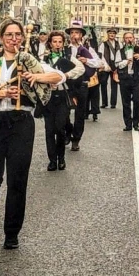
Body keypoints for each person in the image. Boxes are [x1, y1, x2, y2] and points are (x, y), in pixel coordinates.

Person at [0, 19, 63, 249]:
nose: (13, 39)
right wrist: (3, 92)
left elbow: (58, 77)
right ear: (2, 37)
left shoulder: (30, 61)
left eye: (17, 35)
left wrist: (37, 77)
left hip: (21, 123)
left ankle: (12, 233)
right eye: (9, 34)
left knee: (18, 179)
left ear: (22, 38)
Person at [40, 31, 83, 171]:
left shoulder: (68, 57)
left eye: (60, 42)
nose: (57, 44)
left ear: (63, 43)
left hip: (63, 96)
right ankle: (52, 160)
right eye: (54, 42)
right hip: (48, 97)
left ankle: (61, 159)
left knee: (60, 128)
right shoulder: (43, 59)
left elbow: (80, 69)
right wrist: (47, 81)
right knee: (49, 130)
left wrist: (65, 75)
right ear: (50, 43)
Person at [66, 20, 104, 149]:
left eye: (77, 32)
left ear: (81, 35)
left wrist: (86, 60)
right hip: (67, 84)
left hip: (82, 83)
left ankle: (76, 139)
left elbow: (99, 63)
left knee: (80, 113)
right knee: (63, 111)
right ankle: (67, 130)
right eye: (72, 32)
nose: (74, 35)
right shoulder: (65, 49)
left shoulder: (88, 49)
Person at [116, 31, 139, 131]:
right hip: (124, 79)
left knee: (136, 101)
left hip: (136, 79)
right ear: (124, 40)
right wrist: (127, 61)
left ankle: (136, 123)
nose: (129, 39)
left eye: (130, 37)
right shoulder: (120, 51)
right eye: (127, 38)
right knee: (125, 102)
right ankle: (128, 124)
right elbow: (117, 64)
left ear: (133, 39)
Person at [100, 27, 121, 110]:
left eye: (113, 33)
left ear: (115, 35)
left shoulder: (119, 44)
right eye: (110, 33)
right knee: (103, 83)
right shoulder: (103, 44)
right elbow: (100, 55)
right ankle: (104, 102)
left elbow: (121, 55)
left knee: (114, 84)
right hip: (106, 64)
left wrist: (117, 65)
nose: (112, 35)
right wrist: (105, 65)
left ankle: (113, 103)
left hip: (115, 64)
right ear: (107, 34)